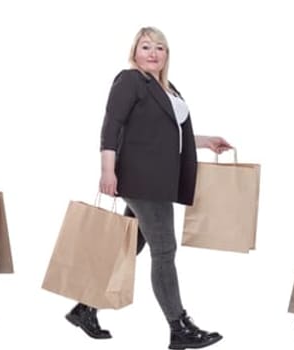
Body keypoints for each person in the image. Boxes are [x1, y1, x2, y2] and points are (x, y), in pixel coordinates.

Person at [67, 26, 229, 349]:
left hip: (159, 179)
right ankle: (178, 325)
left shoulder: (167, 88)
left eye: (160, 48)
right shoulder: (130, 80)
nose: (153, 53)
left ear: (167, 55)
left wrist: (206, 142)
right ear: (134, 52)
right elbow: (110, 127)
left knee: (130, 246)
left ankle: (85, 307)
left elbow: (168, 136)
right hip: (142, 180)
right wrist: (107, 171)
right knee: (164, 250)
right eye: (145, 47)